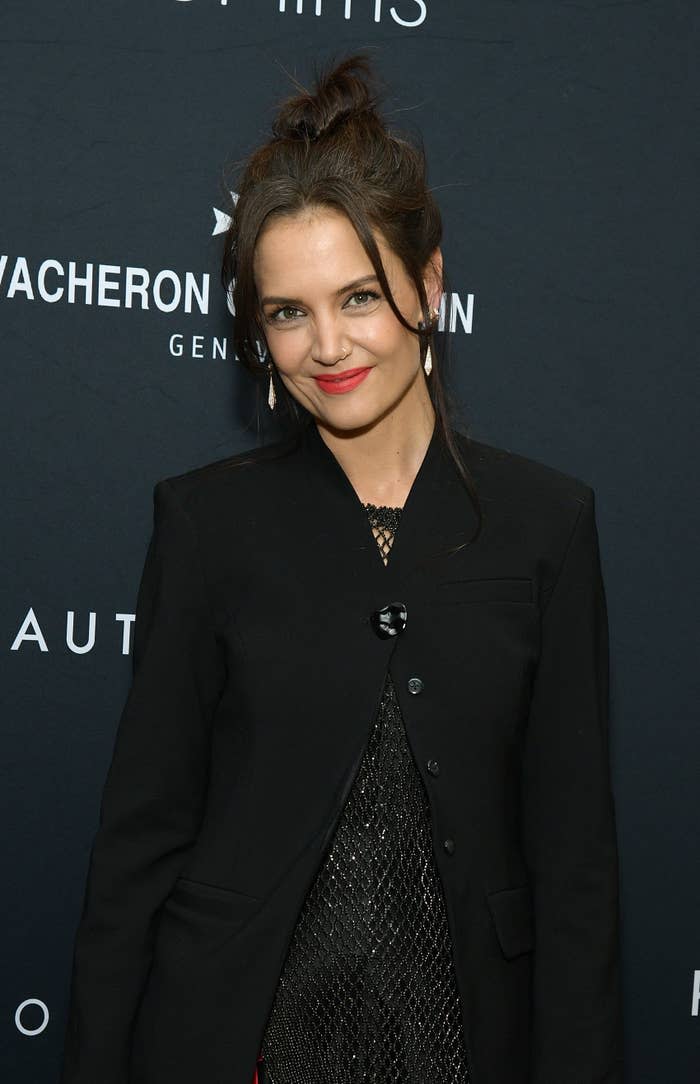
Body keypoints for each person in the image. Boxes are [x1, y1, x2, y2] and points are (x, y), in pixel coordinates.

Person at [59, 53, 624, 1084]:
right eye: (287, 312)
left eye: (359, 295)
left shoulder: (546, 524)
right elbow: (136, 853)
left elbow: (575, 875)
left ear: (430, 281)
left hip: (463, 1046)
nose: (328, 344)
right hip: (239, 1042)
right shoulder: (205, 523)